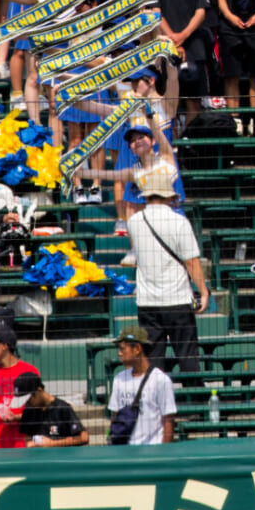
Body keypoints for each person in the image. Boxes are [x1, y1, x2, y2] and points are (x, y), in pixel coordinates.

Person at [127, 164, 208, 375]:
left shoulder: (134, 222)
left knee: (153, 360)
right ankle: (196, 403)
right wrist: (204, 291)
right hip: (177, 300)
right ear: (168, 195)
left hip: (147, 302)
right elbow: (192, 262)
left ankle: (156, 405)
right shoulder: (179, 221)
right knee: (188, 356)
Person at [106, 329, 180, 443]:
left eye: (122, 348)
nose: (119, 353)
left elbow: (168, 421)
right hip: (125, 451)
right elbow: (115, 417)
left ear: (137, 349)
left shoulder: (161, 380)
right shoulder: (119, 379)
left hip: (152, 452)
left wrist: (164, 453)